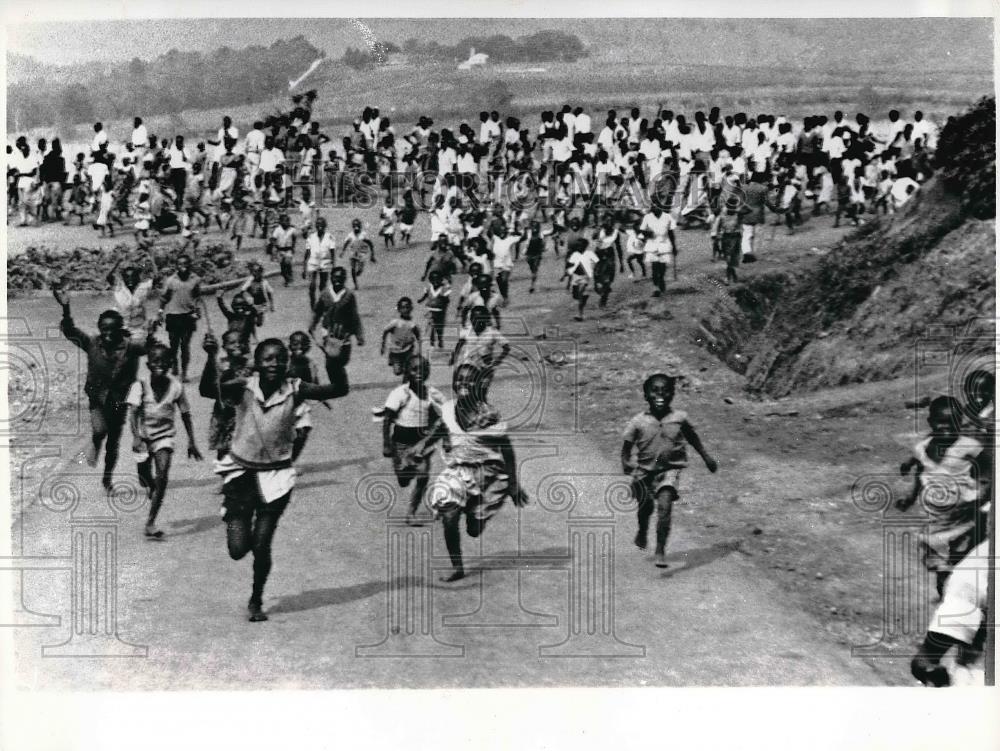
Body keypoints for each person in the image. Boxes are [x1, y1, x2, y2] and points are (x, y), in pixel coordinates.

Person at [206, 338, 346, 621]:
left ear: (288, 364)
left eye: (280, 359)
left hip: (277, 476)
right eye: (268, 359)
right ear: (257, 363)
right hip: (240, 473)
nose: (275, 364)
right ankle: (234, 517)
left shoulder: (296, 389)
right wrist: (211, 358)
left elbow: (338, 388)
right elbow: (208, 389)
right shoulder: (244, 386)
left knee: (262, 543)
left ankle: (256, 599)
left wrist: (333, 361)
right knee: (237, 550)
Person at [420, 363, 529, 582]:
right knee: (449, 513)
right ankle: (457, 566)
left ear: (478, 385)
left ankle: (475, 510)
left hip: (489, 473)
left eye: (469, 381)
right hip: (459, 470)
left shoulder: (487, 415)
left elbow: (507, 449)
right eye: (459, 380)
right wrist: (421, 447)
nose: (463, 385)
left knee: (473, 528)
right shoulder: (449, 409)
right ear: (453, 383)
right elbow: (440, 428)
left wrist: (514, 484)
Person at [53, 283, 157, 490]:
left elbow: (149, 350)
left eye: (112, 330)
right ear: (100, 329)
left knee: (113, 442)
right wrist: (66, 308)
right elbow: (70, 330)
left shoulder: (129, 347)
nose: (108, 334)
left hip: (119, 400)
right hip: (96, 397)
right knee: (100, 430)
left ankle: (107, 478)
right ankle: (95, 443)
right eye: (104, 329)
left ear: (121, 330)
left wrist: (152, 334)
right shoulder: (92, 343)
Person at [621, 374, 718, 568]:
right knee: (645, 507)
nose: (660, 395)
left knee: (665, 507)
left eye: (665, 391)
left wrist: (706, 457)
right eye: (654, 391)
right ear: (646, 395)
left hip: (669, 471)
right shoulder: (638, 421)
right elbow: (626, 448)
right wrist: (625, 462)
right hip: (643, 472)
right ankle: (642, 530)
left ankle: (660, 550)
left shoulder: (679, 418)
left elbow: (693, 437)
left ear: (672, 394)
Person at [896, 396, 985, 596]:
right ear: (931, 423)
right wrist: (910, 499)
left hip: (963, 507)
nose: (946, 428)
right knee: (936, 547)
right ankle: (945, 580)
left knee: (964, 545)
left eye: (952, 423)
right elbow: (920, 474)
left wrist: (983, 491)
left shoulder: (968, 446)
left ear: (960, 422)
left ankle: (960, 578)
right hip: (935, 511)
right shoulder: (923, 448)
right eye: (940, 423)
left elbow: (986, 468)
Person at [127, 343, 203, 538]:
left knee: (163, 474)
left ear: (170, 363)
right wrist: (136, 436)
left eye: (164, 361)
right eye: (155, 361)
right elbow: (133, 413)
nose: (159, 365)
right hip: (143, 438)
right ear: (148, 364)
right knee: (144, 478)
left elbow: (186, 414)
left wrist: (192, 441)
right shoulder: (140, 385)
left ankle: (150, 522)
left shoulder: (176, 386)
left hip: (164, 437)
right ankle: (151, 485)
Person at [380, 355, 445, 526]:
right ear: (408, 371)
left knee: (423, 477)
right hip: (400, 444)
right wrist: (386, 444)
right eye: (415, 369)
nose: (419, 373)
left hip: (421, 445)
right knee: (403, 479)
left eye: (423, 370)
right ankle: (405, 471)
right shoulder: (401, 393)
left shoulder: (432, 394)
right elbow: (387, 418)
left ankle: (411, 513)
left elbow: (445, 412)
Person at [308, 266, 363, 396]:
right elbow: (317, 311)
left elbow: (354, 316)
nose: (338, 280)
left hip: (343, 333)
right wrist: (312, 326)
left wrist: (359, 335)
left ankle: (340, 383)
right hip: (328, 332)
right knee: (331, 360)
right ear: (331, 278)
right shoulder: (325, 294)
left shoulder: (349, 295)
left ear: (344, 279)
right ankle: (339, 385)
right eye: (335, 277)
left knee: (342, 358)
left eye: (341, 278)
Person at [200, 330, 252, 464]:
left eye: (241, 342)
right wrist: (211, 356)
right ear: (224, 347)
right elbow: (206, 390)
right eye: (232, 343)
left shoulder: (251, 365)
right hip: (225, 415)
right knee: (224, 453)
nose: (237, 345)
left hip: (247, 415)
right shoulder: (220, 365)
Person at [158, 254, 203, 382]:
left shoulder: (195, 279)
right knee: (173, 346)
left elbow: (197, 296)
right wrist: (160, 311)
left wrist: (197, 310)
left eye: (185, 264)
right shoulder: (171, 280)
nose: (183, 267)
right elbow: (164, 297)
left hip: (188, 316)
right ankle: (174, 365)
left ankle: (184, 372)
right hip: (173, 316)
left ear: (190, 265)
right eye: (180, 264)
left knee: (185, 345)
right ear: (176, 266)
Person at [450, 305, 511, 397]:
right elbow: (459, 345)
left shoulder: (492, 333)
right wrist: (454, 360)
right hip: (468, 365)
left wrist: (497, 361)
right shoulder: (467, 331)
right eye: (473, 318)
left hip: (485, 368)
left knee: (482, 393)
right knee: (463, 391)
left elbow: (506, 347)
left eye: (479, 318)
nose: (476, 321)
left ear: (486, 319)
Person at [639, 204, 677, 297]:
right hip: (652, 245)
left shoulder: (667, 217)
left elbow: (671, 233)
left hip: (664, 244)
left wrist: (674, 246)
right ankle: (656, 288)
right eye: (652, 207)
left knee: (662, 268)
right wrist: (647, 233)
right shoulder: (647, 217)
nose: (653, 208)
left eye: (656, 206)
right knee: (654, 268)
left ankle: (661, 280)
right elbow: (641, 230)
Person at [380, 297, 422, 377]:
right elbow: (385, 331)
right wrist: (383, 345)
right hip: (395, 351)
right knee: (397, 372)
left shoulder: (412, 324)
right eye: (403, 307)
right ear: (399, 309)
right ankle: (401, 368)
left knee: (409, 369)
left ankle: (407, 378)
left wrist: (418, 350)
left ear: (411, 308)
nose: (405, 310)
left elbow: (418, 337)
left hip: (408, 350)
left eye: (407, 307)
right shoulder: (395, 323)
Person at [303, 216, 336, 309]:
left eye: (321, 224)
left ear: (325, 225)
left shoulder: (330, 237)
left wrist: (333, 266)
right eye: (317, 224)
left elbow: (333, 252)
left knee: (322, 285)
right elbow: (307, 253)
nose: (319, 226)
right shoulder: (311, 237)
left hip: (325, 263)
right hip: (313, 262)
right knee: (312, 285)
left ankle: (321, 304)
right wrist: (304, 267)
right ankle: (312, 304)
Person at [565, 237, 600, 321]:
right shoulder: (575, 254)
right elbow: (570, 266)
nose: (579, 247)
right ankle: (583, 299)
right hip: (575, 276)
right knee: (576, 296)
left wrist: (595, 271)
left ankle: (580, 314)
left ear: (585, 246)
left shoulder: (590, 253)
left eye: (581, 245)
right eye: (578, 246)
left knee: (580, 294)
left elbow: (597, 262)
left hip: (585, 277)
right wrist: (568, 281)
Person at [711, 196, 743, 285]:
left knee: (733, 259)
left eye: (734, 207)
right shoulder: (722, 215)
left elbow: (748, 210)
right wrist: (715, 236)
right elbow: (716, 226)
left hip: (736, 238)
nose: (732, 209)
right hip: (726, 238)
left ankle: (733, 275)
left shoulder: (738, 214)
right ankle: (729, 278)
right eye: (730, 207)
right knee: (728, 259)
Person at [417, 270, 451, 350]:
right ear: (430, 280)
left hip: (440, 311)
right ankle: (432, 342)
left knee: (439, 328)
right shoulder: (429, 287)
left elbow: (447, 300)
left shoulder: (443, 289)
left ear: (441, 280)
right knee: (432, 327)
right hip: (431, 310)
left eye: (437, 280)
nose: (435, 282)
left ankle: (440, 340)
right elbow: (425, 295)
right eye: (433, 280)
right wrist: (421, 300)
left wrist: (444, 301)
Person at [341, 218, 376, 291]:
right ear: (353, 226)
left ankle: (357, 273)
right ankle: (355, 284)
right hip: (353, 253)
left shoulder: (363, 235)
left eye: (357, 226)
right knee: (352, 269)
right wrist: (343, 251)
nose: (356, 227)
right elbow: (346, 243)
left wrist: (372, 254)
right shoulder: (350, 235)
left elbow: (370, 243)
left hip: (362, 253)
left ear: (360, 226)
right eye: (354, 226)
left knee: (359, 270)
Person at [239, 262, 275, 329]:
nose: (255, 274)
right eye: (253, 272)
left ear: (261, 273)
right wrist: (247, 297)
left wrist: (272, 305)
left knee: (259, 323)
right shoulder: (250, 281)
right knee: (249, 317)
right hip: (252, 303)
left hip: (262, 303)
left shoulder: (264, 282)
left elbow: (270, 293)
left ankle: (259, 316)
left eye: (257, 272)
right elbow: (243, 290)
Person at [268, 213, 298, 286]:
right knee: (282, 268)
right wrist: (273, 245)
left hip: (288, 249)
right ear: (280, 222)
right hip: (280, 250)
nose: (286, 223)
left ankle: (290, 276)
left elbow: (294, 238)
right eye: (284, 221)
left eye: (287, 221)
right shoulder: (278, 230)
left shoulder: (292, 230)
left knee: (287, 262)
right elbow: (273, 238)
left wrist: (293, 247)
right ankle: (287, 278)